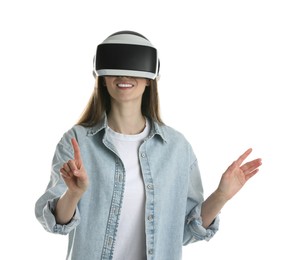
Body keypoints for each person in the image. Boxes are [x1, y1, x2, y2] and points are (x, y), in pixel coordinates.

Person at [35, 30, 262, 260]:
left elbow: (184, 230)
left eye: (134, 66)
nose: (124, 75)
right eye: (115, 67)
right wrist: (73, 194)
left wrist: (221, 195)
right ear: (102, 77)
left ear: (150, 77)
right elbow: (55, 222)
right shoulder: (77, 142)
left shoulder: (177, 148)